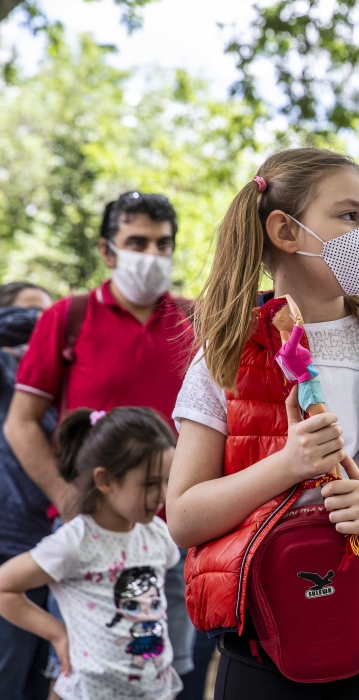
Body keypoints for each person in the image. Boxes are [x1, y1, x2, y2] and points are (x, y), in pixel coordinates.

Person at [167, 149, 359, 700]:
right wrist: (288, 465)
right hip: (261, 645)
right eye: (349, 216)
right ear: (284, 229)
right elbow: (183, 518)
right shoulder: (224, 359)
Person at [3, 192, 200, 687]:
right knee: (79, 675)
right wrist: (65, 495)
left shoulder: (195, 321)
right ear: (107, 251)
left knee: (165, 671)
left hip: (170, 539)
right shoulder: (67, 318)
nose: (151, 255)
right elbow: (21, 422)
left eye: (162, 244)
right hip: (91, 536)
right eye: (137, 242)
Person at [0, 407, 182, 700]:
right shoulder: (74, 542)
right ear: (105, 480)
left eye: (166, 481)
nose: (162, 495)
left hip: (152, 691)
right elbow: (4, 586)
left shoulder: (158, 533)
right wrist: (57, 633)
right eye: (150, 484)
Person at [0, 282, 55, 700]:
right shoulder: (4, 365)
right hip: (9, 543)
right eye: (30, 313)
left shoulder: (55, 375)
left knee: (43, 678)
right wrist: (40, 321)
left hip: (53, 546)